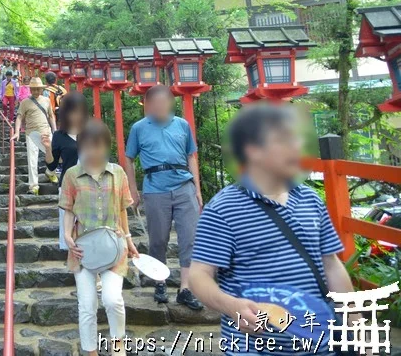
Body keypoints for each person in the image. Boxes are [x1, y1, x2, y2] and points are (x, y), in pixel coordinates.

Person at [189, 104, 352, 356]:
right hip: (255, 346)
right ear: (253, 151)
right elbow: (199, 275)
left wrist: (357, 322)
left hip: (322, 343)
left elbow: (330, 264)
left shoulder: (310, 199)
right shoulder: (222, 209)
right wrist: (231, 305)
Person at [59, 120, 138, 356]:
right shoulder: (73, 174)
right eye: (89, 146)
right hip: (82, 248)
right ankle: (90, 351)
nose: (94, 151)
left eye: (99, 146)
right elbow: (68, 208)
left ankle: (118, 348)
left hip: (114, 245)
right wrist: (66, 235)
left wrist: (129, 239)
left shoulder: (118, 172)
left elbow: (122, 209)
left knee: (113, 300)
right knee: (87, 305)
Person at [122, 84, 203, 310]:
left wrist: (196, 188)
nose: (158, 107)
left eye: (162, 103)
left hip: (184, 185)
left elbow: (191, 156)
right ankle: (160, 282)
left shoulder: (182, 125)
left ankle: (185, 289)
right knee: (158, 239)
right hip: (155, 188)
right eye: (153, 104)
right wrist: (132, 189)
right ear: (147, 105)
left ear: (170, 103)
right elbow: (128, 158)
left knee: (191, 239)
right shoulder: (139, 128)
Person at [44, 91, 89, 249]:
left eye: (79, 111)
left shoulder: (91, 132)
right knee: (69, 231)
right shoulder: (59, 136)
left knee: (90, 228)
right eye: (71, 111)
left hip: (91, 186)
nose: (75, 115)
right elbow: (51, 166)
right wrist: (48, 149)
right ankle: (75, 265)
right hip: (68, 188)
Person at [11, 77, 57, 194]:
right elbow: (20, 117)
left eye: (38, 89)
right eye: (34, 89)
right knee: (32, 159)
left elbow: (51, 116)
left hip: (46, 131)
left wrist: (55, 130)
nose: (36, 91)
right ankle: (33, 185)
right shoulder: (25, 102)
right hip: (31, 134)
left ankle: (50, 172)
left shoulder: (46, 100)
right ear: (30, 89)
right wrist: (17, 132)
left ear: (41, 89)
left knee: (55, 153)